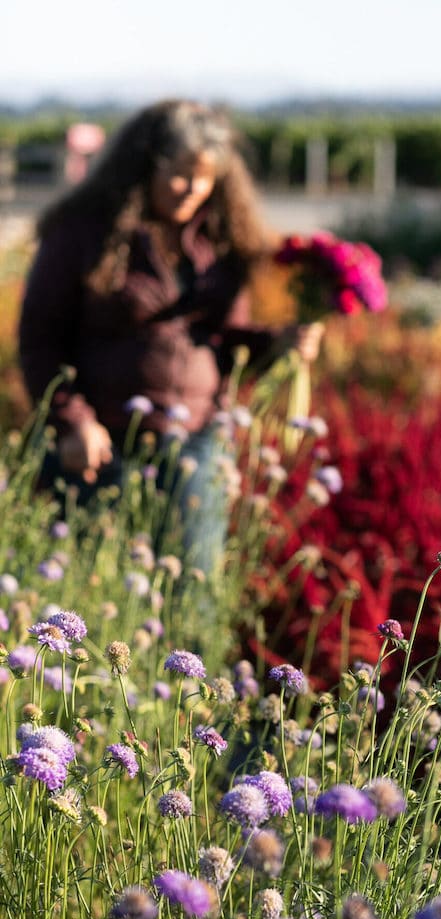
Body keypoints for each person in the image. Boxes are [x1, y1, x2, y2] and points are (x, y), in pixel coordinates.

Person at [18, 98, 322, 574]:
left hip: (196, 443)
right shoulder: (83, 233)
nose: (193, 189)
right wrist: (72, 420)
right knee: (93, 591)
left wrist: (279, 344)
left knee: (191, 591)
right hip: (102, 444)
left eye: (206, 178)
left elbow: (223, 341)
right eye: (179, 174)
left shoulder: (220, 238)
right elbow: (39, 339)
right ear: (143, 166)